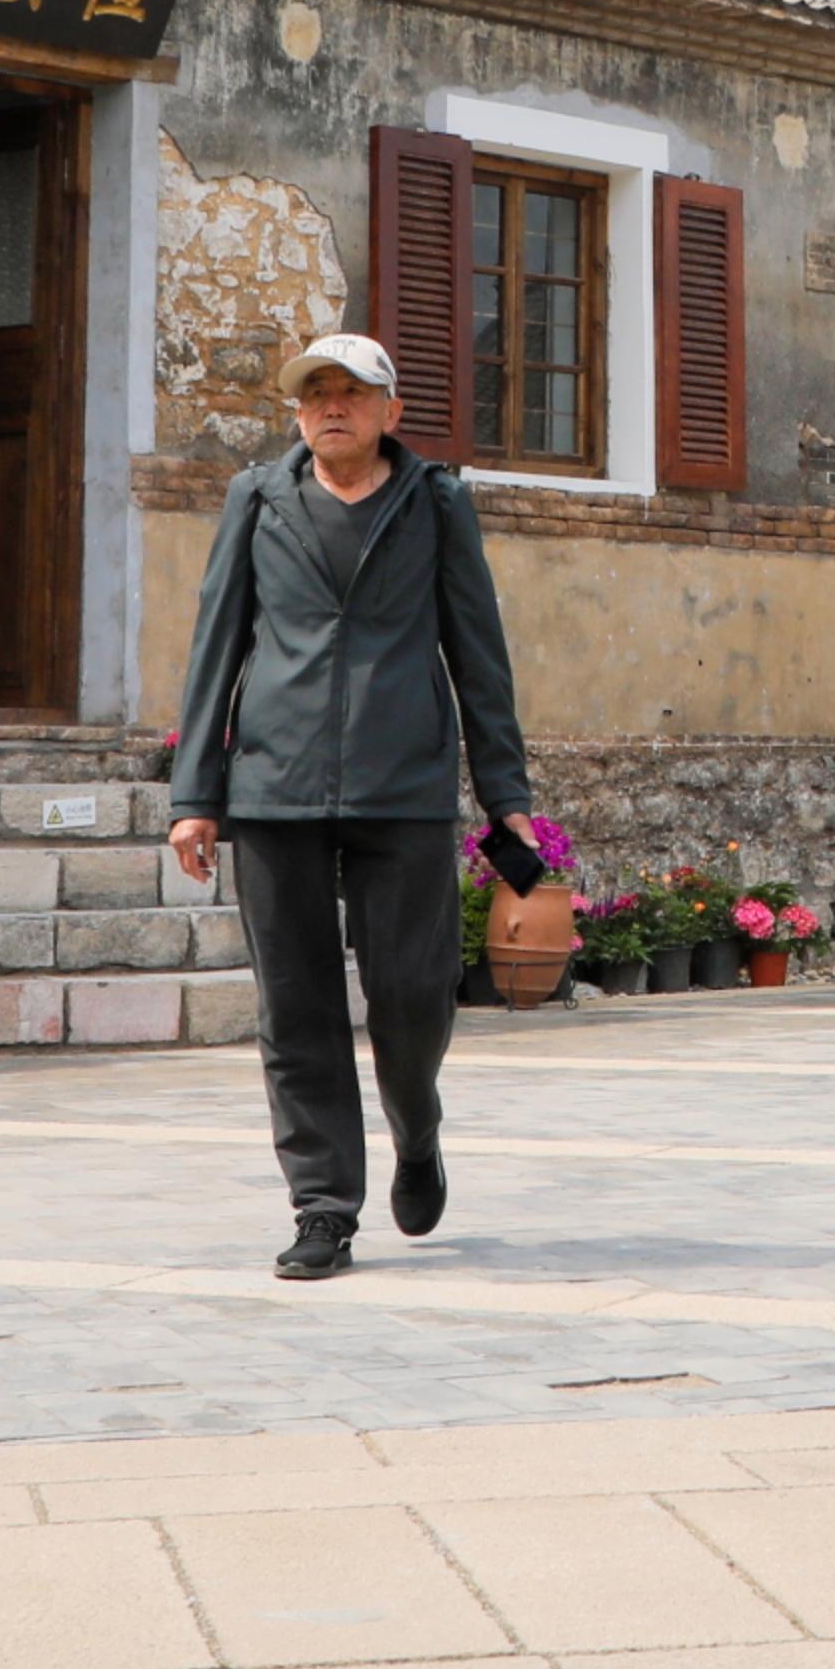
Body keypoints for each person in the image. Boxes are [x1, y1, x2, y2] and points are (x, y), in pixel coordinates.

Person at [166, 329, 538, 1285]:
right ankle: (323, 1206)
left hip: (403, 785)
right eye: (314, 393)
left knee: (412, 997)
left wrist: (506, 796)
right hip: (274, 786)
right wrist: (196, 795)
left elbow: (478, 651)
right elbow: (216, 646)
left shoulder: (437, 502)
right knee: (295, 1008)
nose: (330, 406)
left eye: (351, 391)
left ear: (389, 410)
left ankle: (417, 1127)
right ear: (298, 412)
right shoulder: (258, 499)